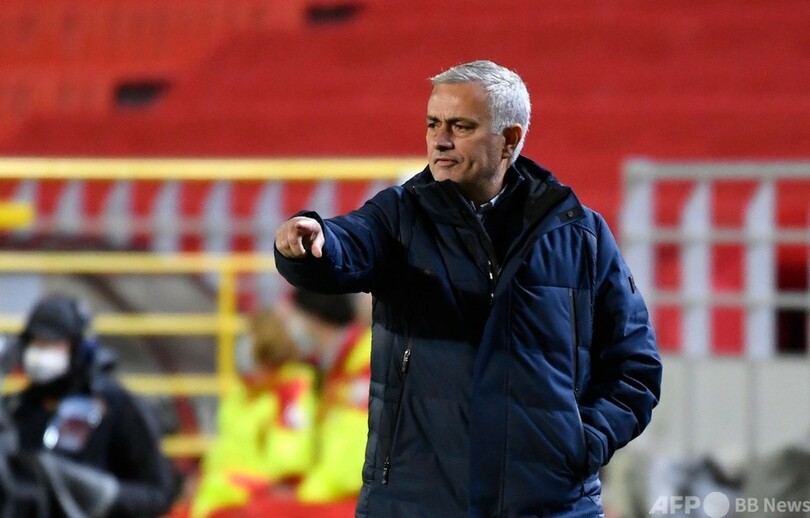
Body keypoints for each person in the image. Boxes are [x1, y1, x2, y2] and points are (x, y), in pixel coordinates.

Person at [273, 60, 663, 517]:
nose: (440, 140)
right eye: (432, 124)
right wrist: (315, 243)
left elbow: (634, 366)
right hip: (415, 505)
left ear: (509, 140)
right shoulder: (399, 216)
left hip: (551, 506)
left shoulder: (581, 235)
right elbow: (350, 243)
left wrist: (581, 445)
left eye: (460, 126)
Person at [7, 294, 176, 517]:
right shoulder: (16, 407)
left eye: (52, 344)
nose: (40, 354)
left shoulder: (115, 405)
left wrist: (99, 495)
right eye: (36, 343)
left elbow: (157, 494)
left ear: (79, 348)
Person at [191, 308, 318, 518]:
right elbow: (224, 447)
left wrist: (230, 487)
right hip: (219, 498)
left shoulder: (291, 393)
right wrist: (204, 477)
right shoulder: (241, 392)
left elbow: (288, 470)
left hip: (250, 504)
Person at [278, 288, 371, 505]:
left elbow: (350, 467)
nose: (286, 334)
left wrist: (301, 498)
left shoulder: (367, 363)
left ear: (313, 319)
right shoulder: (328, 369)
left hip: (350, 499)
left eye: (289, 322)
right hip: (329, 492)